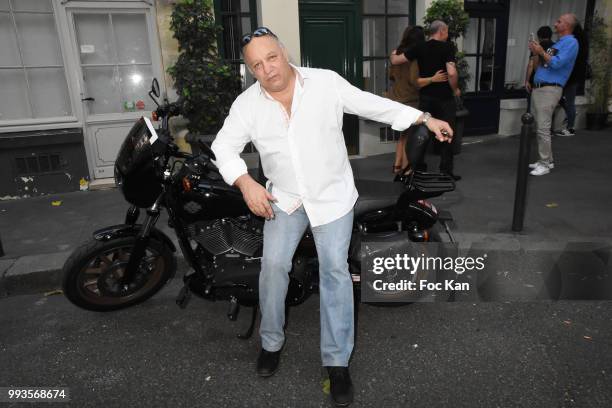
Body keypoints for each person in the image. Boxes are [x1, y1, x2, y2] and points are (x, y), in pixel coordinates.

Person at [211, 27, 453, 407]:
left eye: (271, 58)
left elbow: (373, 104)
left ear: (284, 52)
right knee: (272, 266)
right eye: (257, 65)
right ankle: (271, 343)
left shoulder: (324, 83)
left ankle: (337, 362)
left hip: (332, 197)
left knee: (335, 271)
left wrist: (423, 118)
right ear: (250, 70)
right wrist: (245, 182)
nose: (268, 69)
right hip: (286, 198)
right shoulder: (247, 105)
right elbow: (223, 146)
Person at [390, 20, 461, 181]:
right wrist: (455, 88)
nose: (448, 34)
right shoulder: (448, 47)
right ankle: (446, 172)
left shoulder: (420, 47)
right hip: (444, 98)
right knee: (447, 133)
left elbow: (395, 61)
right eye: (447, 31)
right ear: (442, 31)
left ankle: (417, 169)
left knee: (420, 134)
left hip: (425, 98)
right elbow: (451, 72)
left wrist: (394, 53)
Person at [528, 13, 579, 176]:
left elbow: (556, 63)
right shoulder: (558, 44)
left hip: (550, 89)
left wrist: (541, 51)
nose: (555, 24)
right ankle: (547, 160)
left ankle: (544, 163)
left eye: (559, 21)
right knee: (541, 125)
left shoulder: (571, 42)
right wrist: (536, 52)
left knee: (543, 127)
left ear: (568, 25)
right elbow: (539, 66)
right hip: (540, 88)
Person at [555, 21, 588, 137]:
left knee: (567, 101)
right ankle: (571, 115)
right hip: (573, 76)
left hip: (570, 76)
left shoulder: (573, 42)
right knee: (564, 100)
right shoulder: (580, 42)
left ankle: (570, 127)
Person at [524, 26, 555, 112]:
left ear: (539, 36)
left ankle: (530, 123)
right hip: (549, 81)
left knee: (531, 107)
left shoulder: (537, 46)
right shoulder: (553, 47)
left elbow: (531, 64)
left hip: (535, 80)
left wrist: (527, 81)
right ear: (550, 36)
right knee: (547, 109)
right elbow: (549, 62)